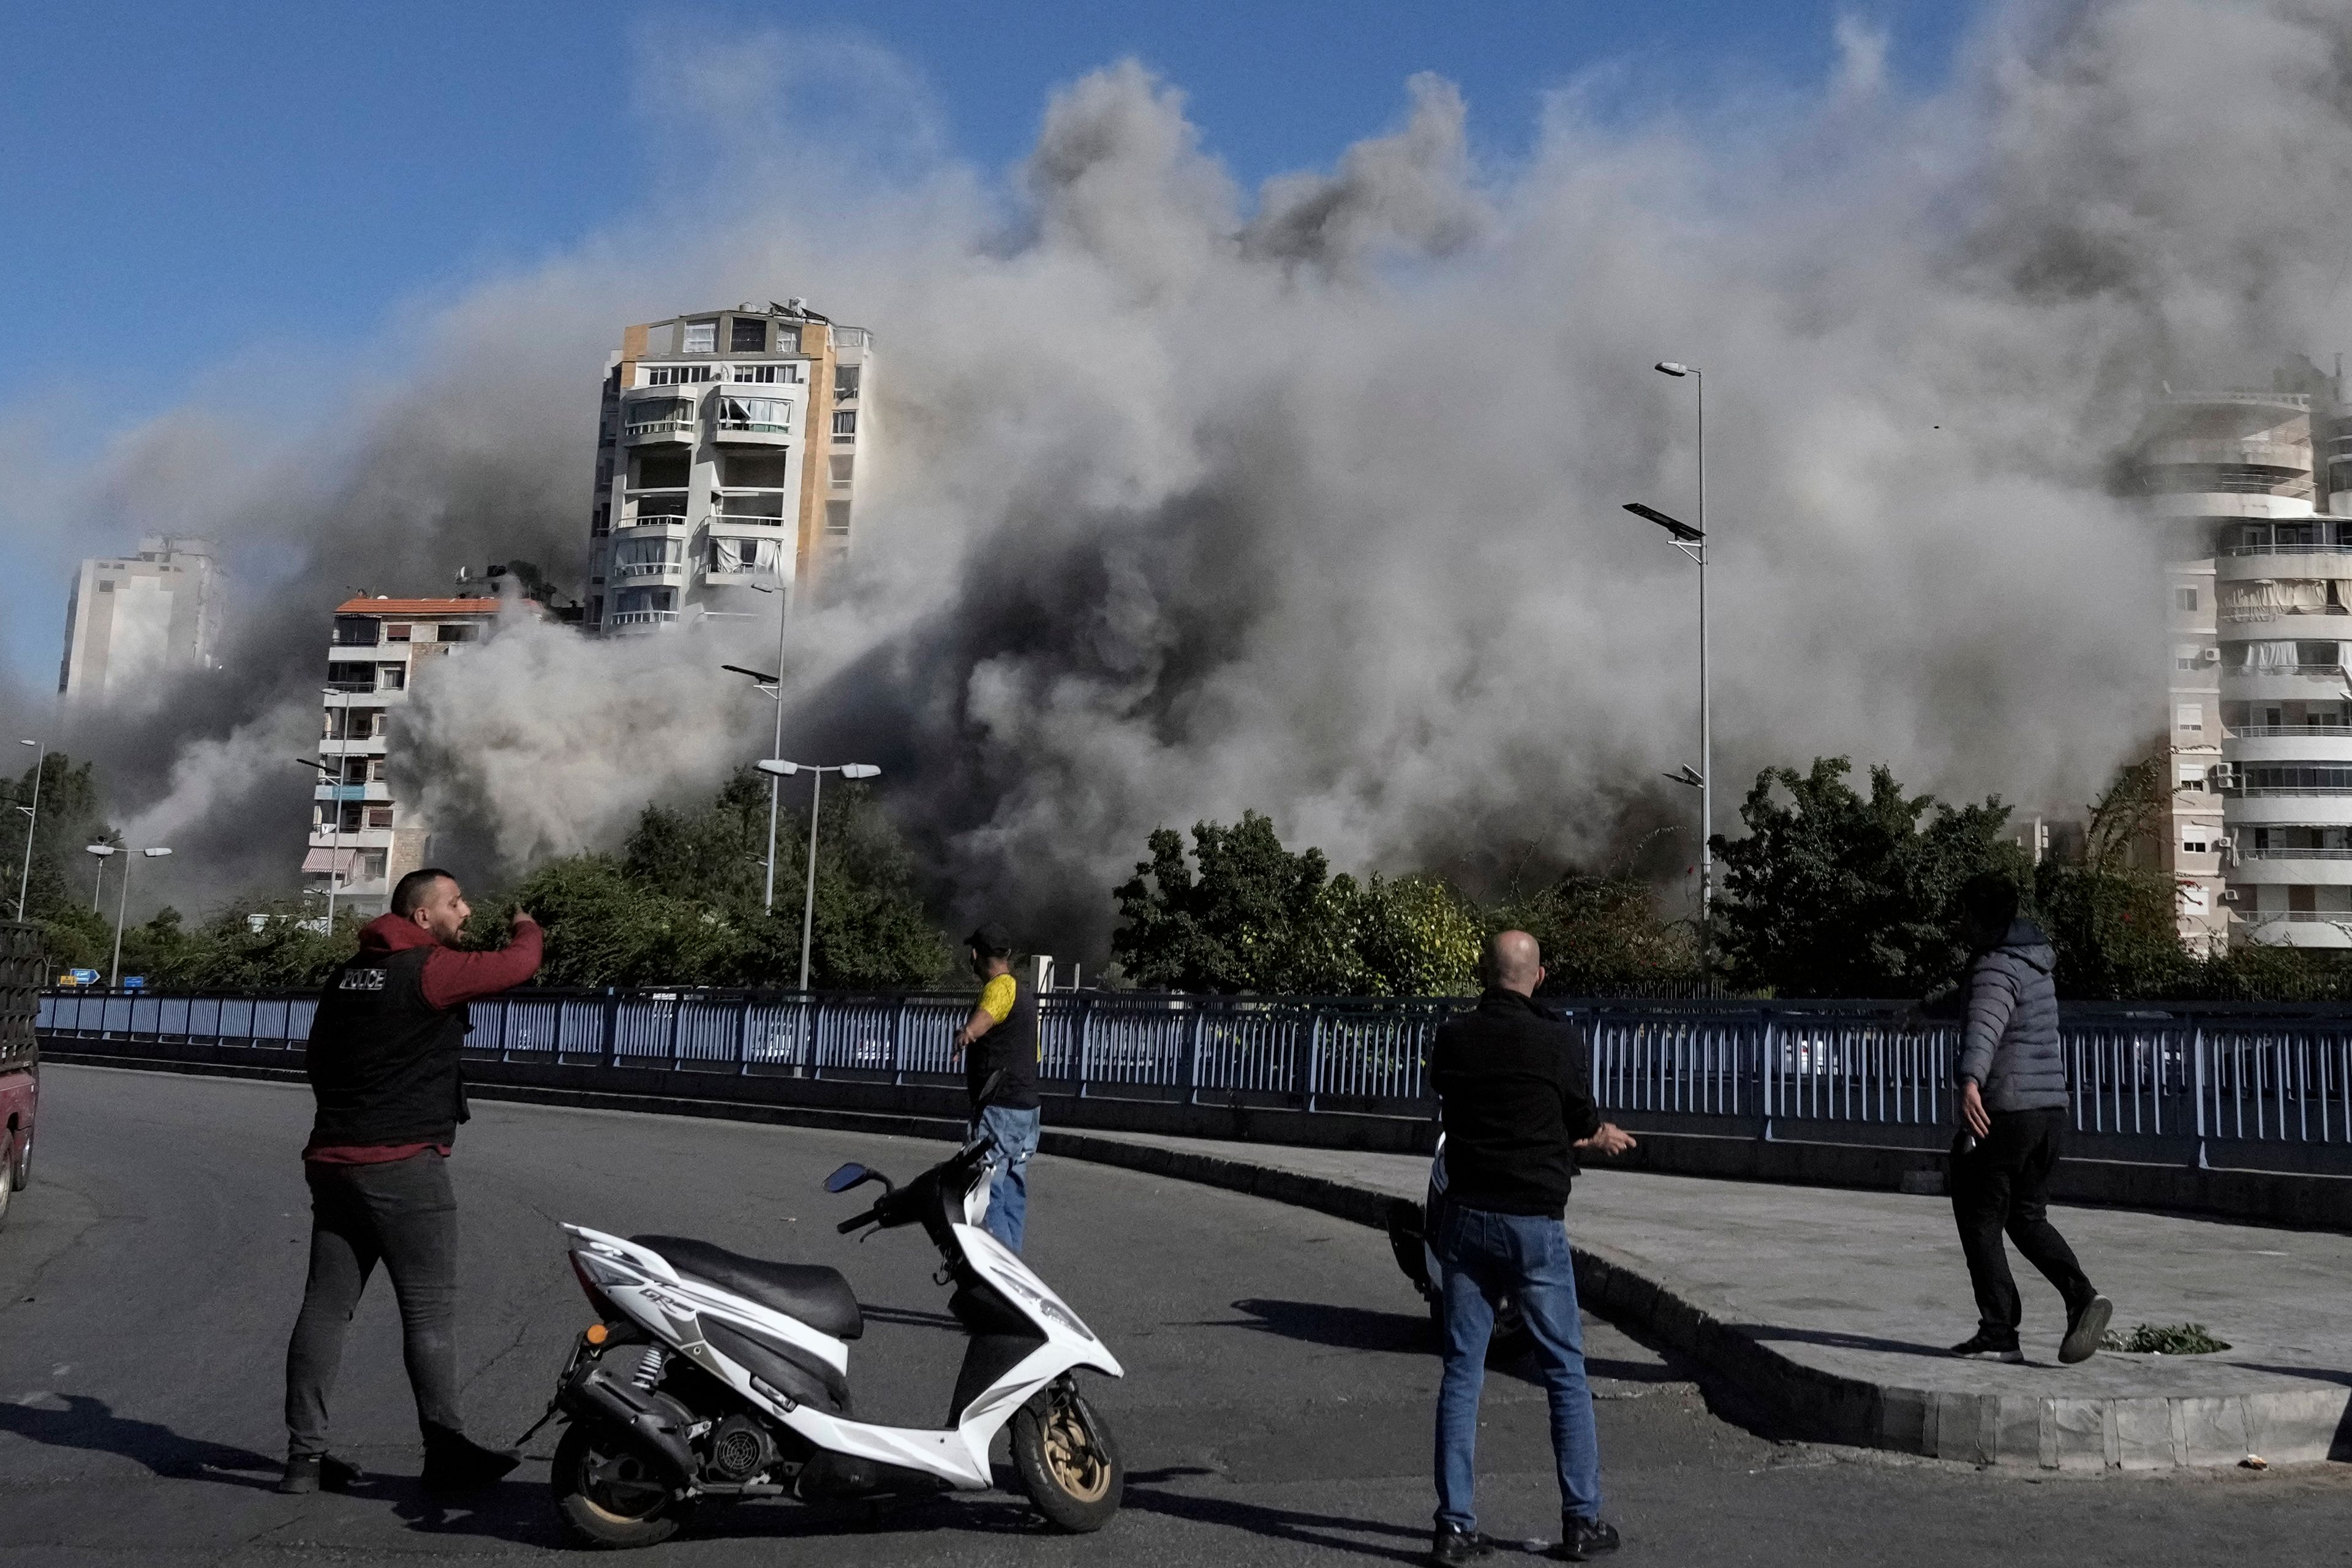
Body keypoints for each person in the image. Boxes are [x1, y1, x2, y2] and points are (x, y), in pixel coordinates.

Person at [278, 868, 543, 1496]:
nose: (467, 910)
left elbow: (315, 1059)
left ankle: (303, 1459)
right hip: (402, 1165)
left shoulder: (346, 977)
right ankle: (445, 1451)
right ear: (422, 916)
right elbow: (519, 964)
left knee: (325, 1307)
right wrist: (529, 924)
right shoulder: (430, 969)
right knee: (428, 1312)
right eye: (456, 902)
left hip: (333, 1159)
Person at [1425, 930, 1635, 1566]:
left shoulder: (1454, 1036)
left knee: (1463, 1371)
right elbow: (1577, 1121)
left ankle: (1454, 1527)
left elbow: (1462, 1108)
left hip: (1467, 1218)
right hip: (1534, 1224)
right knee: (1565, 1371)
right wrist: (1597, 1141)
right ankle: (1581, 1520)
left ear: (1483, 974)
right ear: (1538, 976)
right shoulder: (1559, 1039)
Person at [1945, 873, 2111, 1365]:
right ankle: (2081, 1296)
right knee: (2026, 1216)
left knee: (1978, 1215)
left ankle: (1999, 1333)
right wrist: (1921, 1010)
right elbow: (1973, 1003)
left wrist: (1970, 1080)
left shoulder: (1994, 966)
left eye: (1964, 913)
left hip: (2007, 1112)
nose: (1960, 921)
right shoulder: (2032, 963)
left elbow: (1984, 1023)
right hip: (2048, 1114)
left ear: (1978, 918)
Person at [949, 924, 1041, 1253]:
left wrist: (968, 1033)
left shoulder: (1000, 987)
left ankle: (1001, 1271)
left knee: (987, 1188)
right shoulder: (1025, 994)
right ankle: (1016, 1267)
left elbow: (989, 1013)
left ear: (976, 955)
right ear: (1009, 955)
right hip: (1027, 1108)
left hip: (999, 1108)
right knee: (1014, 1186)